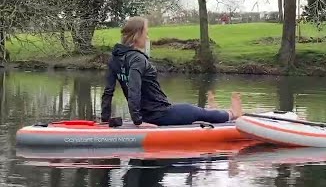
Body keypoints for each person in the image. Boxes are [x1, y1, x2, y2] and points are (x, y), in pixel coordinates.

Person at [100, 16, 243, 127]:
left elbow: (108, 92)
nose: (147, 37)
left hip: (149, 113)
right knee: (194, 111)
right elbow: (134, 90)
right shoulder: (137, 59)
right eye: (146, 33)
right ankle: (231, 114)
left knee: (193, 110)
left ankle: (215, 112)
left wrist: (105, 119)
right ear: (137, 35)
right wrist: (138, 122)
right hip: (158, 115)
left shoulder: (115, 58)